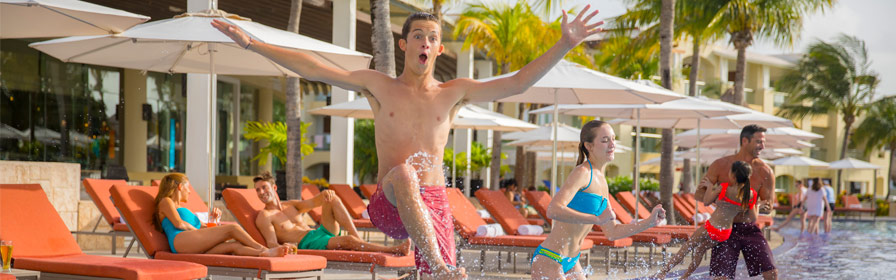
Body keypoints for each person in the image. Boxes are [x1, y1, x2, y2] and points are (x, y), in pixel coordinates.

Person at [213, 6, 604, 279]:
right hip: (388, 202)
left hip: (431, 202)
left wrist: (565, 43)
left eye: (432, 38)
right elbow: (314, 67)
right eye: (418, 35)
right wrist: (251, 42)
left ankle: (435, 269)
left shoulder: (454, 92)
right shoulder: (378, 85)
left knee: (444, 274)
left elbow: (518, 82)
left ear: (438, 49)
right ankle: (436, 264)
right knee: (404, 174)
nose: (425, 42)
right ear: (404, 45)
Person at [531, 120, 665, 280]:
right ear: (589, 146)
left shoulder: (602, 180)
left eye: (613, 139)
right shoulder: (583, 172)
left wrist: (649, 222)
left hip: (572, 261)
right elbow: (553, 209)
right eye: (605, 140)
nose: (612, 144)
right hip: (550, 258)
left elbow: (612, 232)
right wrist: (595, 219)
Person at [252, 172, 411, 255]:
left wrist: (325, 194)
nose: (261, 192)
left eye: (264, 187)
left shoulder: (291, 205)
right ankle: (393, 250)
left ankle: (358, 239)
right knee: (348, 241)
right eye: (258, 190)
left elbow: (314, 202)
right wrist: (284, 247)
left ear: (274, 188)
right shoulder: (264, 217)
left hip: (319, 232)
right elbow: (271, 243)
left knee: (332, 197)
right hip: (307, 243)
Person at [694, 124, 777, 280]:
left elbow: (769, 205)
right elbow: (699, 195)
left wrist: (757, 205)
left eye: (763, 142)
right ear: (745, 141)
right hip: (725, 228)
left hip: (749, 228)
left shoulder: (765, 171)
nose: (762, 146)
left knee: (771, 273)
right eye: (758, 141)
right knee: (721, 277)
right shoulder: (720, 165)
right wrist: (724, 199)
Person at [653, 161, 757, 279]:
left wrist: (709, 187)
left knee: (687, 247)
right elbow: (752, 218)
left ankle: (663, 272)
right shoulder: (751, 194)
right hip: (725, 233)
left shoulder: (724, 187)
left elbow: (707, 201)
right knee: (700, 250)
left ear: (733, 175)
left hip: (712, 226)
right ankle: (685, 277)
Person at [152, 173, 289, 257]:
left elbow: (205, 228)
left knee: (234, 246)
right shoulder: (166, 201)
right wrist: (202, 232)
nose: (190, 191)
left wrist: (214, 222)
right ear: (180, 187)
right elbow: (179, 224)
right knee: (232, 229)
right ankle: (264, 248)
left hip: (193, 242)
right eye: (188, 187)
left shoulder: (182, 209)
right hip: (180, 241)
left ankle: (262, 254)